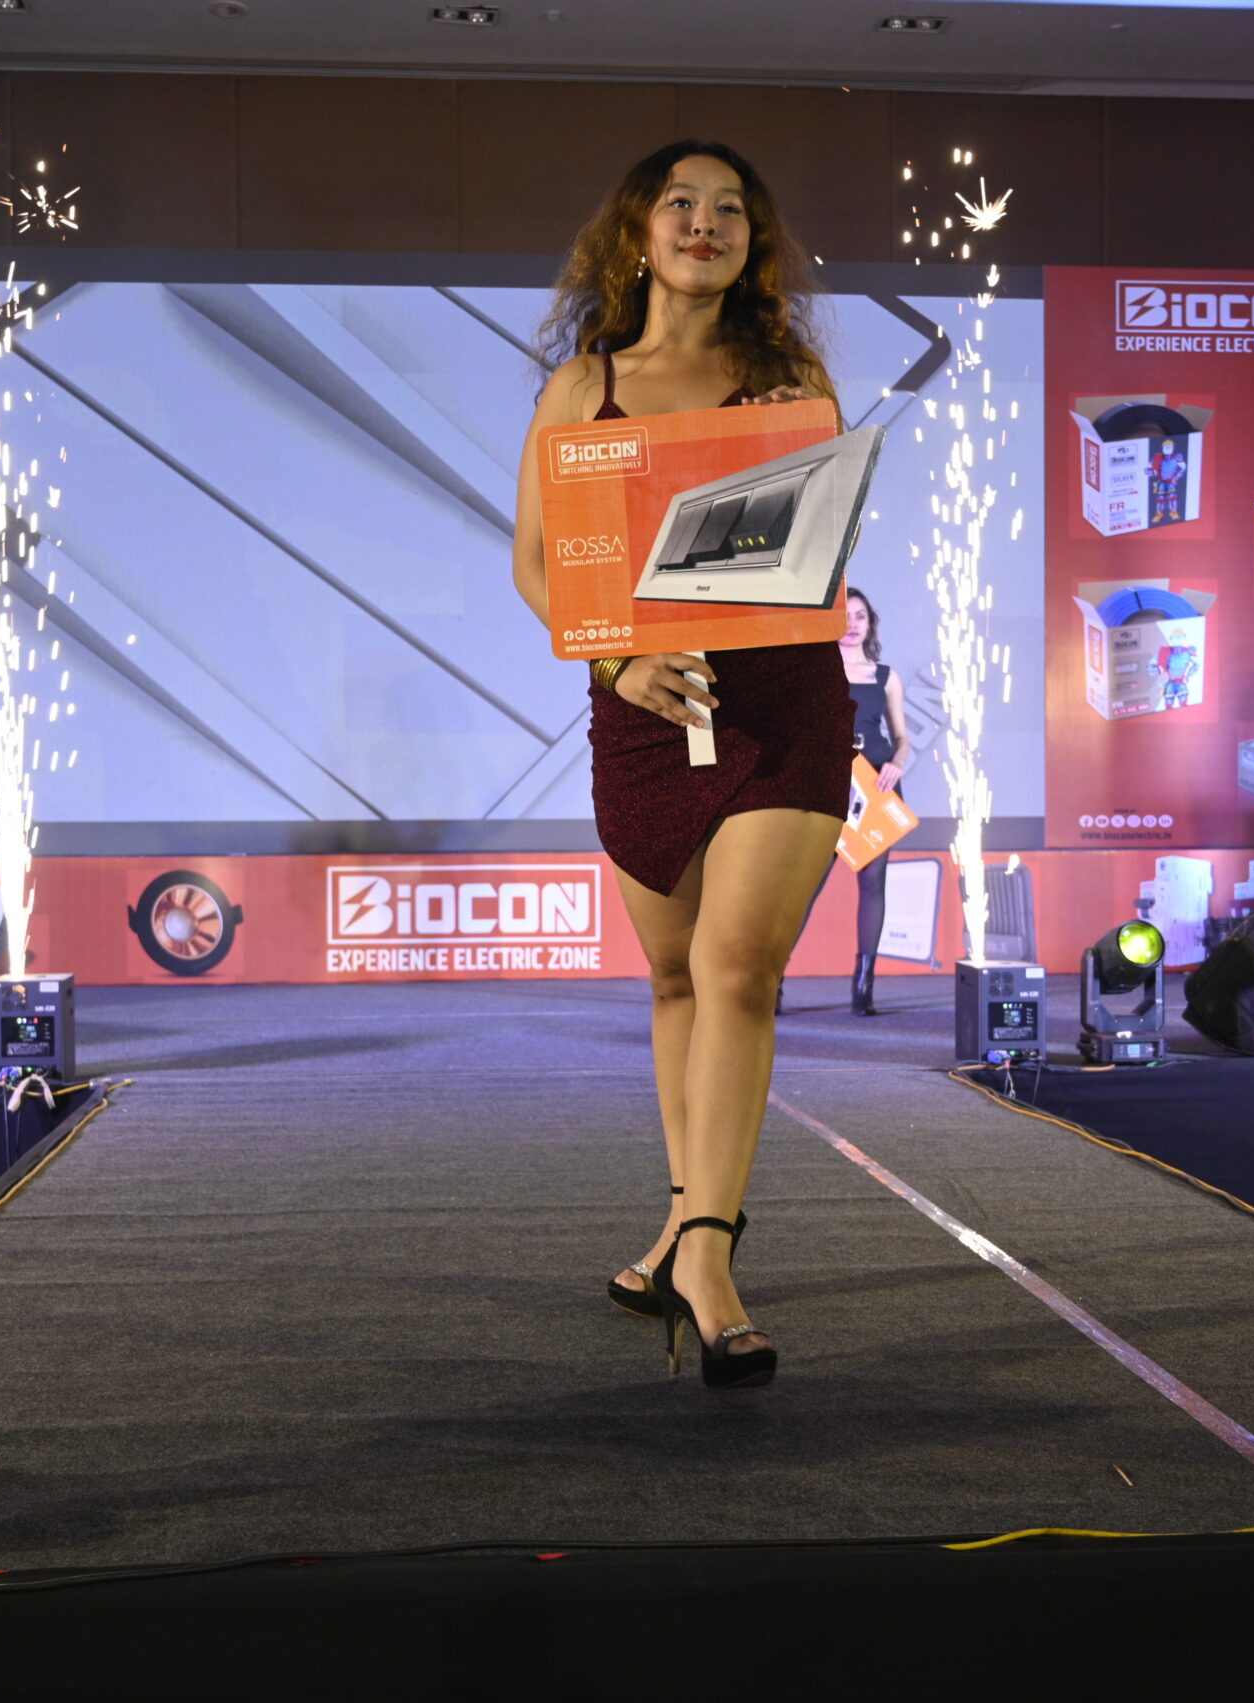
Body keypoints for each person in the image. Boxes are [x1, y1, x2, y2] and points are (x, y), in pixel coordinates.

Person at [512, 141, 848, 1391]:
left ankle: (709, 1254)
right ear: (637, 233)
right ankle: (677, 1218)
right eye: (681, 204)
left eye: (730, 209)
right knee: (672, 978)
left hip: (779, 702)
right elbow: (538, 565)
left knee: (735, 964)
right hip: (640, 706)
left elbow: (815, 541)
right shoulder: (581, 388)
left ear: (752, 241)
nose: (705, 223)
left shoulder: (787, 379)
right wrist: (617, 665)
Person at [787, 587, 910, 1017]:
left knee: (873, 885)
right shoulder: (813, 674)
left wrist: (896, 764)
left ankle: (864, 984)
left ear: (870, 623)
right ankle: (773, 978)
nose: (852, 624)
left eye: (860, 616)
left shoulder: (886, 677)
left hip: (876, 790)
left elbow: (902, 739)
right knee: (805, 886)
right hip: (827, 786)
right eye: (844, 616)